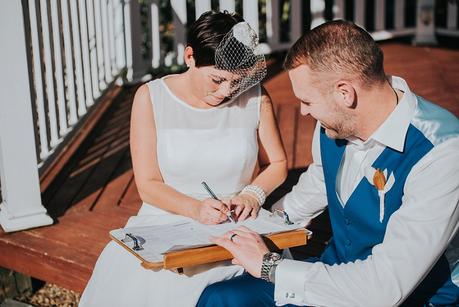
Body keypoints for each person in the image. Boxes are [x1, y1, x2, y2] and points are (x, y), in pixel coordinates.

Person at [197, 20, 459, 307]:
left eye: (307, 101)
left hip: (410, 298)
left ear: (345, 93)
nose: (303, 112)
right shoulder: (335, 124)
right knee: (220, 298)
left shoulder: (441, 153)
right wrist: (257, 223)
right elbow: (317, 184)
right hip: (333, 276)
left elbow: (384, 288)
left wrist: (270, 266)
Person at [79, 11, 287, 307]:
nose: (227, 92)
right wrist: (195, 209)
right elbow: (148, 184)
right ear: (190, 57)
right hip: (168, 217)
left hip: (238, 222)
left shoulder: (255, 96)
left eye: (236, 81)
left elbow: (277, 164)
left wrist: (252, 195)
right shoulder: (151, 97)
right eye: (217, 80)